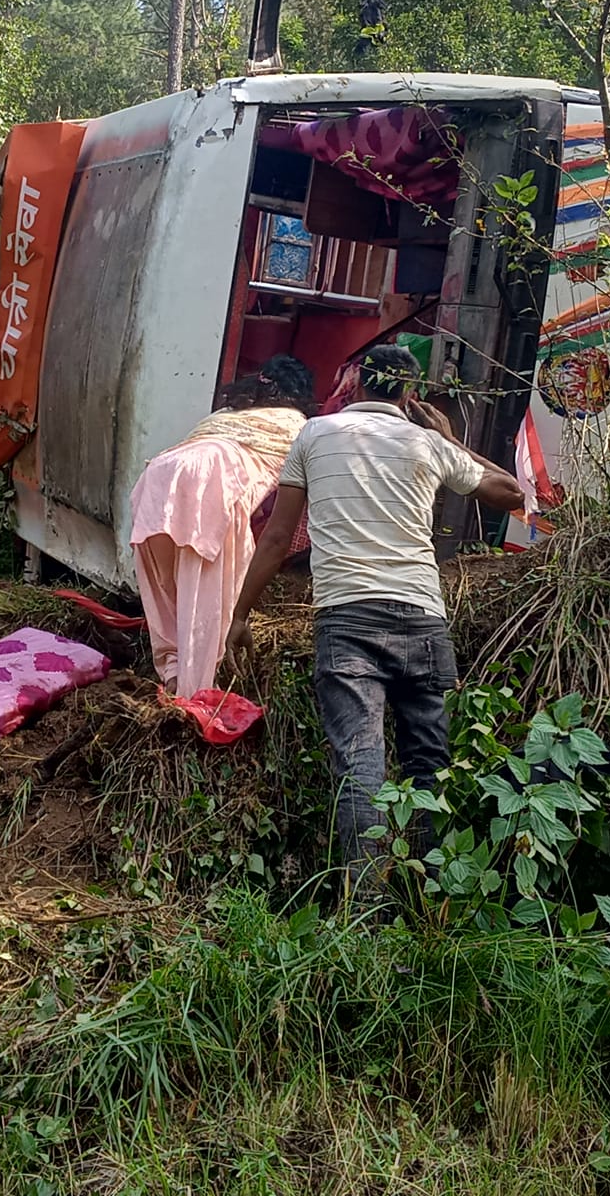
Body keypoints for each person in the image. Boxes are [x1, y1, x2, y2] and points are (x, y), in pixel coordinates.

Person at [229, 344, 525, 888]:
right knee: (428, 764)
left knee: (361, 760)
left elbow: (276, 537)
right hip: (422, 618)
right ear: (409, 394)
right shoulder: (426, 443)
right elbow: (511, 494)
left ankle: (364, 906)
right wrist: (450, 440)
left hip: (348, 620)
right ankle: (427, 898)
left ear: (358, 384)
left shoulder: (315, 434)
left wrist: (240, 614)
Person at [129, 356, 315, 702]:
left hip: (158, 477)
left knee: (165, 586)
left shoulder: (226, 414)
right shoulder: (297, 424)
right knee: (209, 592)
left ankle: (172, 673)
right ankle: (195, 697)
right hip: (213, 479)